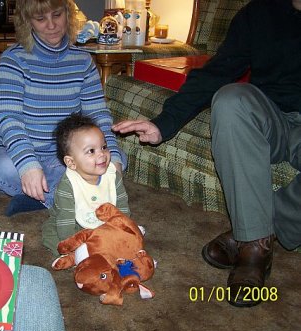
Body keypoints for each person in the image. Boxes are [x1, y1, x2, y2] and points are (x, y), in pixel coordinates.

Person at [112, 0, 301, 307]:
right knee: (230, 99)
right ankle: (254, 237)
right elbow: (216, 73)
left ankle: (253, 239)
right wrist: (163, 123)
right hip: (274, 117)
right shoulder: (260, 12)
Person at [0, 0, 126, 217]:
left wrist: (112, 156)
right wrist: (29, 165)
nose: (51, 25)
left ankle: (41, 198)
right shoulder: (13, 60)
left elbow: (97, 117)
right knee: (3, 169)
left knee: (115, 159)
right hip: (12, 154)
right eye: (40, 19)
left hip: (64, 157)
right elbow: (8, 119)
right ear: (28, 22)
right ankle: (74, 202)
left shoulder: (83, 61)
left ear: (68, 14)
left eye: (57, 15)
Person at [42, 113, 130, 256]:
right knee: (51, 233)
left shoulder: (113, 176)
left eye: (103, 147)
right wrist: (73, 247)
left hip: (105, 225)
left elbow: (122, 207)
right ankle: (75, 258)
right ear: (71, 162)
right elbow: (65, 222)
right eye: (91, 151)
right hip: (73, 223)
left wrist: (124, 230)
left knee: (125, 240)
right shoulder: (67, 185)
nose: (102, 154)